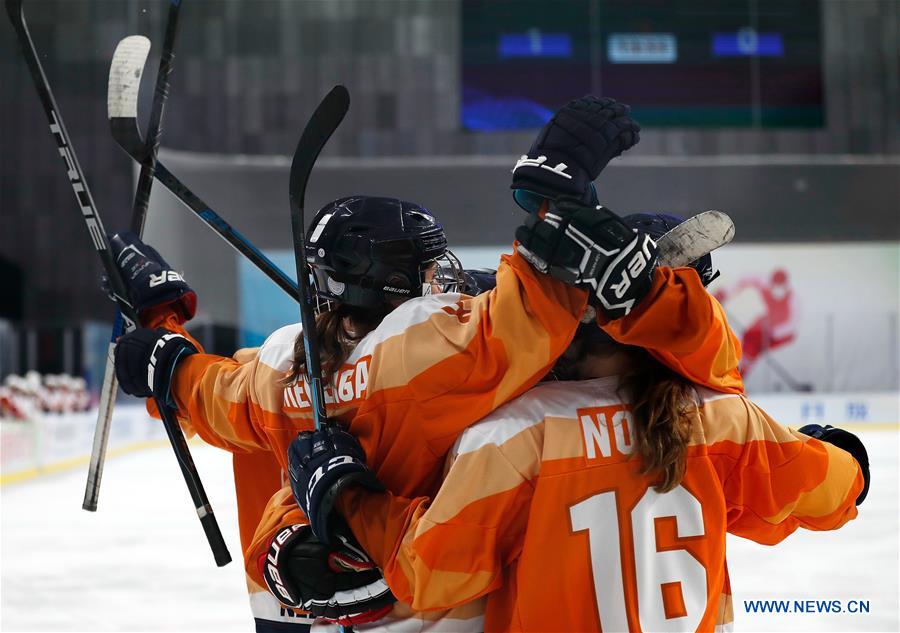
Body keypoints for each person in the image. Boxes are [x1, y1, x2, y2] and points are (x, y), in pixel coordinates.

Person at [110, 98, 743, 626]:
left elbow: (205, 389)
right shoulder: (426, 355)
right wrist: (602, 254)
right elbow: (526, 322)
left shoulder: (281, 364)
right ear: (387, 282)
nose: (445, 280)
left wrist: (162, 327)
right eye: (429, 268)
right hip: (438, 605)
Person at [295, 319, 869, 632]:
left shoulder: (516, 432)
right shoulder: (721, 417)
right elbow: (832, 490)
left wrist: (348, 495)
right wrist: (842, 454)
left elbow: (433, 572)